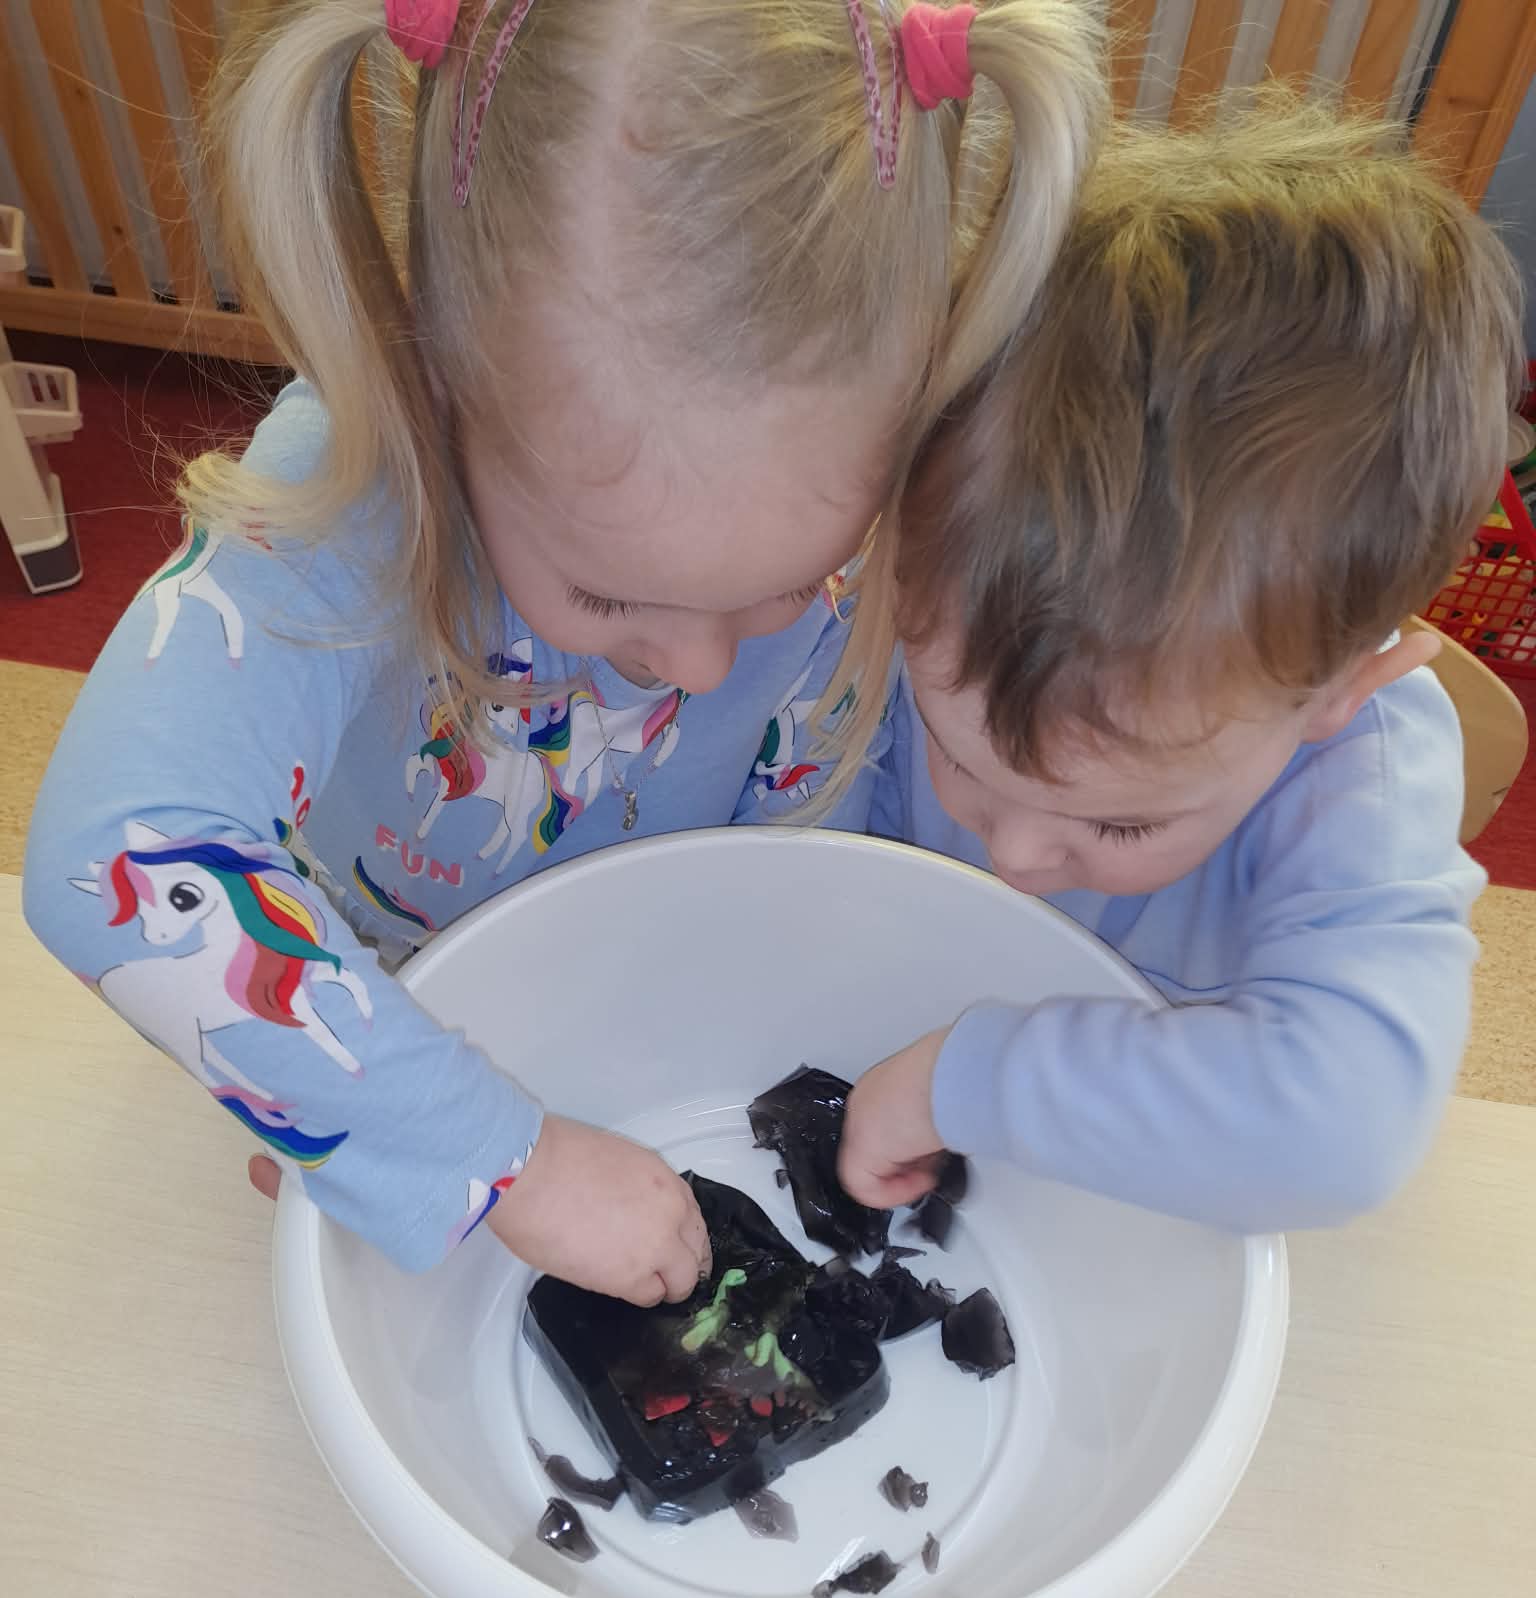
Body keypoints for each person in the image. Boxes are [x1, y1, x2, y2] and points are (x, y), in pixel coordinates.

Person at [23, 0, 1103, 1296]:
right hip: (406, 1018)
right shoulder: (363, 484)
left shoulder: (911, 469)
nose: (701, 670)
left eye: (783, 589)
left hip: (666, 1023)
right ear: (439, 387)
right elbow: (112, 855)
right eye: (604, 596)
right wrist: (466, 1148)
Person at [840, 99, 1525, 1233]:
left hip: (1155, 1209)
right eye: (958, 762)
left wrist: (963, 1082)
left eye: (1119, 825)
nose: (1015, 856)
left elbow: (1339, 1131)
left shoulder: (1361, 777)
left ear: (1338, 692)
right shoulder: (929, 600)